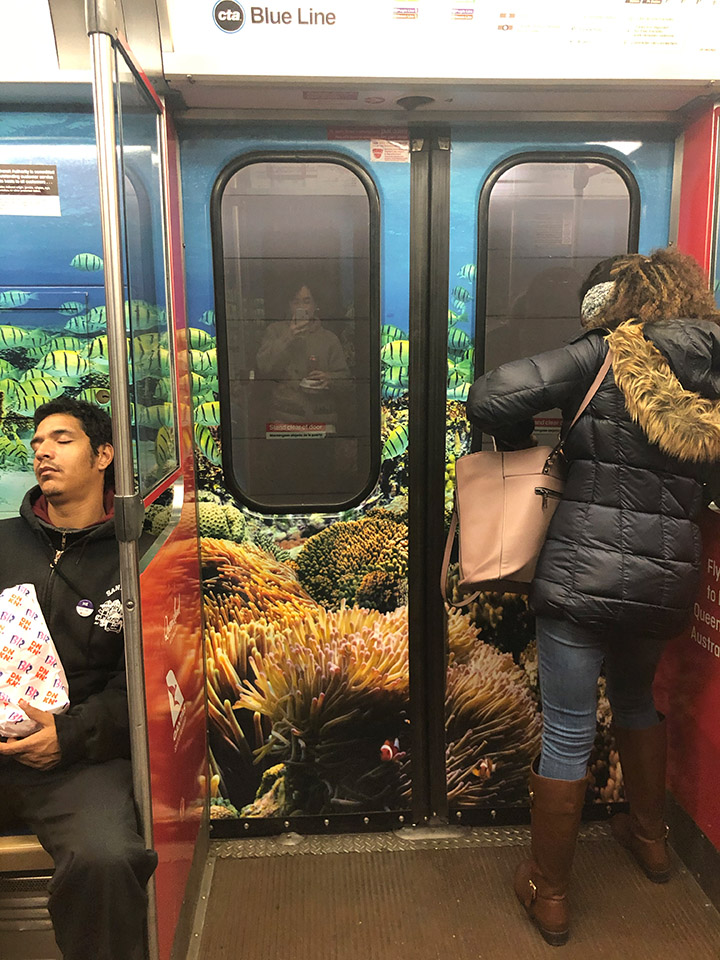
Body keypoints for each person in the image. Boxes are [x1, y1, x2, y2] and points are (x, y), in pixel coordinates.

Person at [466, 248, 720, 946]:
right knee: (637, 701)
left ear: (621, 300)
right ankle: (653, 841)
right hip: (665, 584)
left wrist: (524, 440)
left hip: (582, 579)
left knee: (570, 730)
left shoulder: (606, 354)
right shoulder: (713, 371)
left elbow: (490, 395)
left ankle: (549, 892)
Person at [0, 397, 157, 960]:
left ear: (104, 455)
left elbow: (139, 686)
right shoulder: (2, 542)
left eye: (62, 439)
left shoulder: (138, 557)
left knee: (106, 857)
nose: (43, 451)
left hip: (77, 758)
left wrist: (67, 737)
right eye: (37, 442)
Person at [256, 282, 349, 428]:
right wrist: (288, 336)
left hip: (322, 422)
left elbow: (347, 382)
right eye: (296, 302)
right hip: (283, 421)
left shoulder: (329, 339)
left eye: (307, 301)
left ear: (315, 305)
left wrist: (330, 379)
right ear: (289, 305)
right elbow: (264, 368)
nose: (301, 307)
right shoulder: (275, 331)